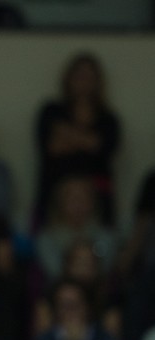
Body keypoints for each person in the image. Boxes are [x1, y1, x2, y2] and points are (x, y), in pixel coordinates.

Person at [32, 52, 121, 231]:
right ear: (68, 78)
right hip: (52, 195)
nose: (84, 82)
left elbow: (102, 148)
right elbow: (52, 147)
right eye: (79, 76)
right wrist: (88, 141)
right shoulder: (51, 111)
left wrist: (67, 134)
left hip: (98, 199)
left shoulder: (108, 119)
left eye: (89, 77)